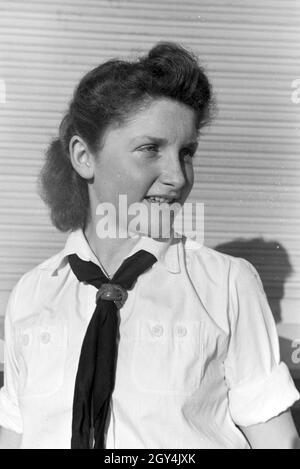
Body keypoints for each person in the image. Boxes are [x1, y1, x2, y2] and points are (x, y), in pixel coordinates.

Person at [0, 42, 299, 449]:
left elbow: (278, 442)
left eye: (187, 152)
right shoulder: (31, 296)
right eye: (149, 149)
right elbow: (14, 437)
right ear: (84, 157)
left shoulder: (228, 283)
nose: (177, 176)